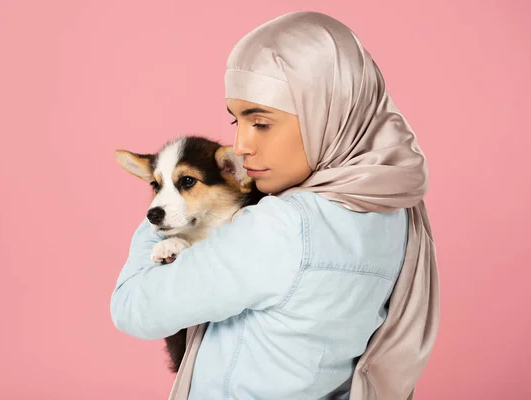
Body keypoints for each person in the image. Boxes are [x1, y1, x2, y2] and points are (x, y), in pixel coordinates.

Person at [110, 10, 439, 400]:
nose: (242, 145)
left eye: (261, 123)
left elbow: (134, 308)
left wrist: (162, 213)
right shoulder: (395, 210)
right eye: (236, 122)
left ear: (326, 113)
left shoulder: (281, 225)